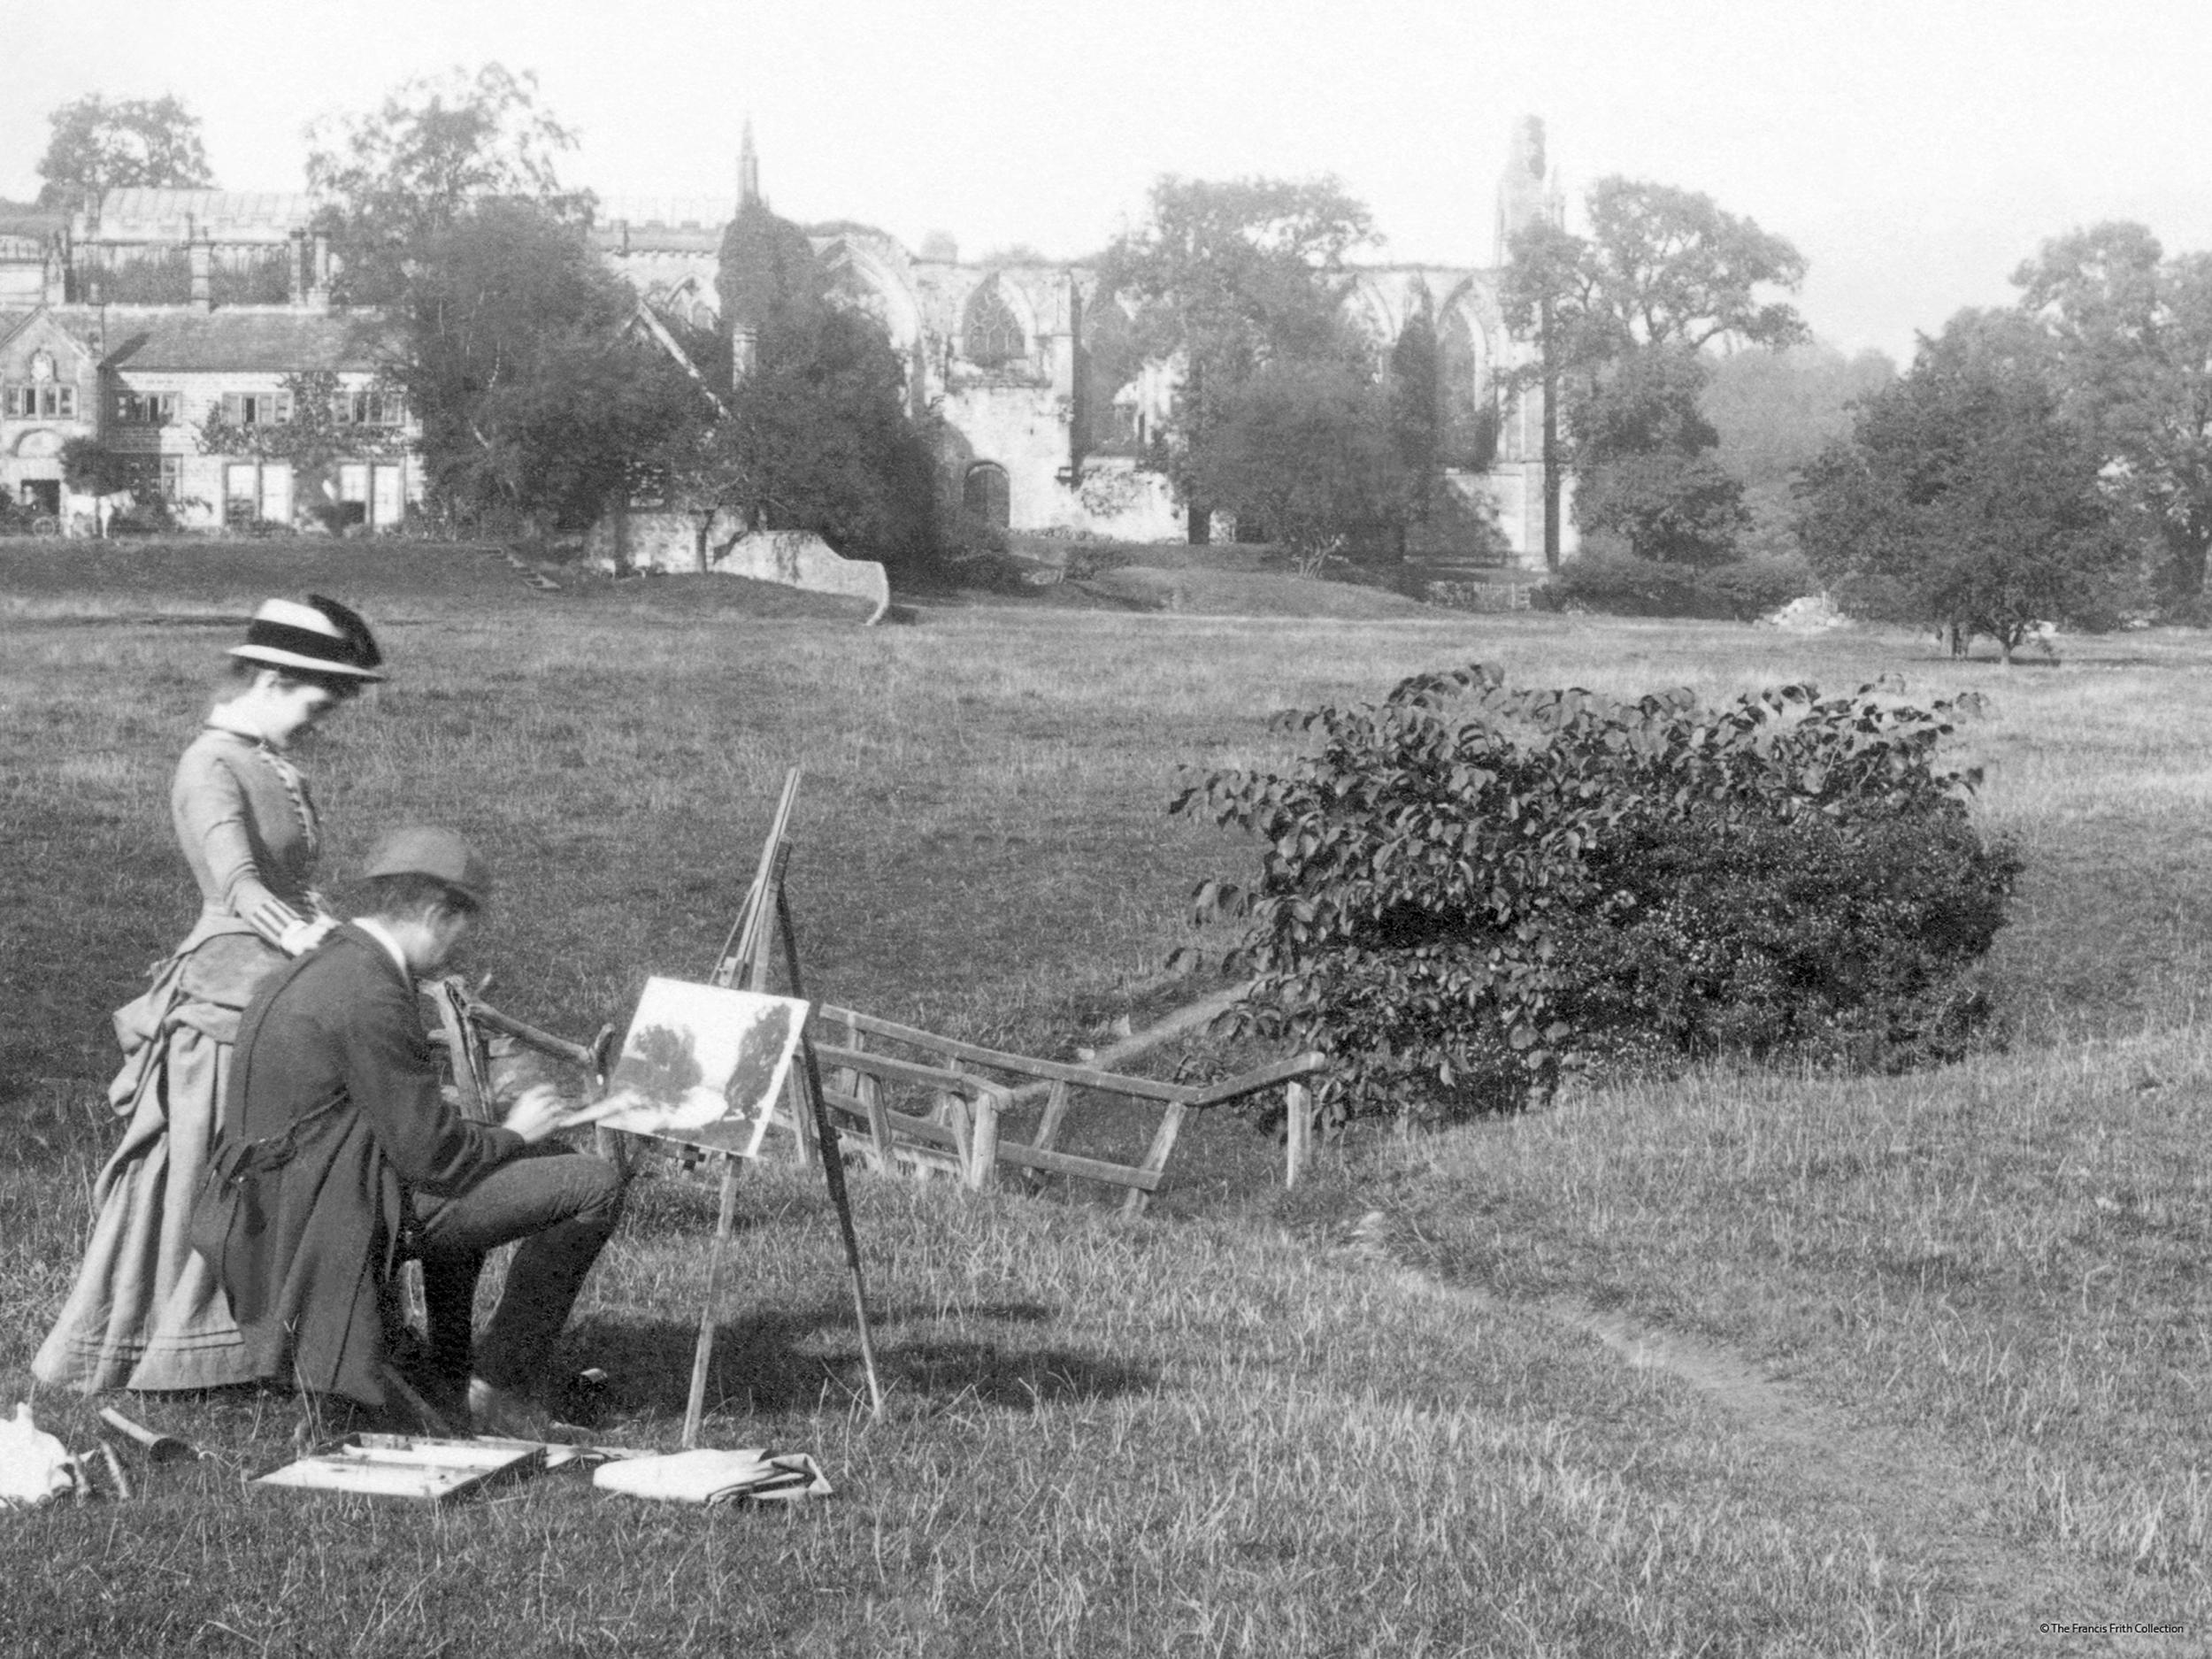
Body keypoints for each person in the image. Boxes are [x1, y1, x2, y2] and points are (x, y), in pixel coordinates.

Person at [35, 596, 386, 1393]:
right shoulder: (209, 763)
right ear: (268, 677)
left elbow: (296, 888)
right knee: (213, 1169)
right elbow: (241, 883)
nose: (321, 720)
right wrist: (311, 948)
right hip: (227, 994)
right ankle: (185, 1344)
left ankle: (298, 1334)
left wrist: (349, 945)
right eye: (315, 701)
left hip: (284, 985)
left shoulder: (273, 764)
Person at [204, 827, 623, 1434]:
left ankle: (451, 1368)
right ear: (434, 912)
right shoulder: (370, 991)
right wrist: (516, 1132)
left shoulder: (327, 963)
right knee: (594, 1184)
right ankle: (498, 1388)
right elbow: (436, 1159)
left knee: (522, 1158)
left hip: (283, 1199)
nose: (463, 946)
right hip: (324, 1214)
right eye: (463, 926)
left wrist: (505, 1138)